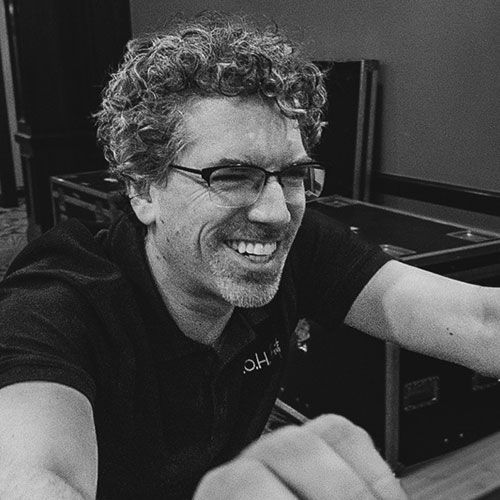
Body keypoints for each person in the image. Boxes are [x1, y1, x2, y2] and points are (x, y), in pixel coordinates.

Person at [0, 11, 499, 500]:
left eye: (293, 175)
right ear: (143, 190)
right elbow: (33, 478)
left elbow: (480, 321)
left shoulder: (301, 245)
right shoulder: (53, 307)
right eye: (232, 176)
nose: (277, 213)